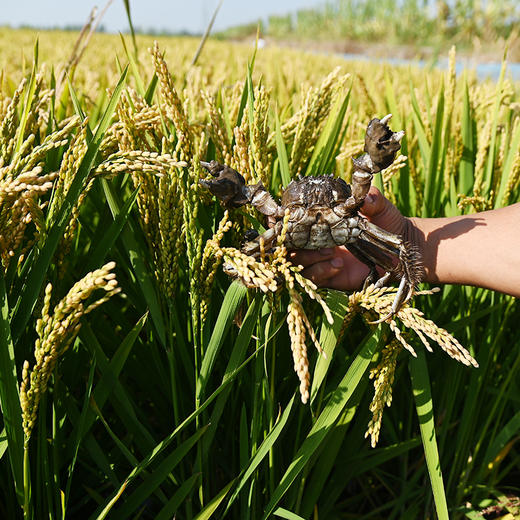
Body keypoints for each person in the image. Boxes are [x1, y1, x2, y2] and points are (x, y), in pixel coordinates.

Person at [289, 187, 520, 298]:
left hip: (368, 245)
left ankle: (403, 295)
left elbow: (402, 244)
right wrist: (414, 239)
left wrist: (411, 240)